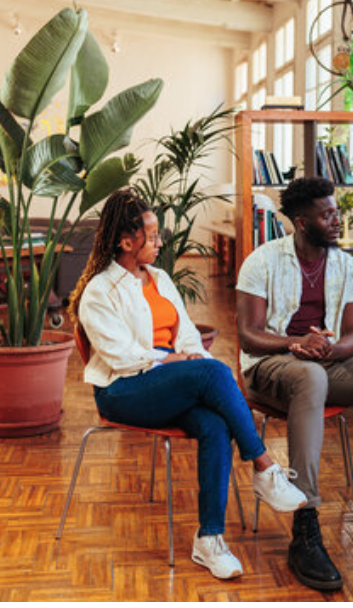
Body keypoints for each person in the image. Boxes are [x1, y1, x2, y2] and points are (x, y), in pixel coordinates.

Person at [68, 189, 307, 581]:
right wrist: (182, 361)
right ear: (126, 241)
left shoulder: (160, 278)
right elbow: (123, 358)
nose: (160, 241)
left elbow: (189, 336)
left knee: (214, 425)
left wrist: (191, 357)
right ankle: (263, 466)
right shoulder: (99, 291)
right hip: (124, 389)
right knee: (212, 373)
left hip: (168, 380)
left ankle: (209, 539)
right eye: (152, 234)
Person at [235, 176, 353, 592]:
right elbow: (249, 334)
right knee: (307, 375)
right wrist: (296, 344)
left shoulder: (344, 264)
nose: (338, 220)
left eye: (336, 211)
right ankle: (305, 521)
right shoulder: (262, 260)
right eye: (328, 214)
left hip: (326, 363)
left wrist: (325, 349)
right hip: (269, 367)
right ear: (302, 222)